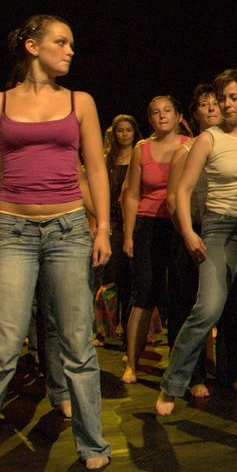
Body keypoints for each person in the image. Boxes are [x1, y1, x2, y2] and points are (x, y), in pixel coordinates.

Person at [0, 14, 112, 472]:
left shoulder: (80, 101)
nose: (70, 50)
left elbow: (95, 168)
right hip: (12, 230)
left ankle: (92, 441)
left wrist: (103, 226)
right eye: (61, 42)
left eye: (71, 43)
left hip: (68, 230)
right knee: (0, 347)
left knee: (78, 343)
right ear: (31, 46)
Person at [157, 69, 237, 415]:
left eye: (233, 97)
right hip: (219, 227)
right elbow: (183, 190)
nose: (226, 104)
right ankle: (172, 384)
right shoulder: (208, 140)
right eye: (222, 98)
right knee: (208, 308)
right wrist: (188, 231)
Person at [120, 95, 188, 383]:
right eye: (156, 112)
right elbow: (131, 194)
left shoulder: (190, 145)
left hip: (179, 224)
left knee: (181, 295)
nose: (162, 116)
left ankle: (180, 365)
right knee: (143, 294)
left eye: (167, 111)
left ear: (178, 116)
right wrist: (128, 235)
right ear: (149, 119)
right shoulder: (142, 150)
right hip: (148, 224)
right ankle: (132, 364)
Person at [165, 86, 222, 396]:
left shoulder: (229, 147)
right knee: (188, 304)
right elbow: (174, 199)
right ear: (194, 113)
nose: (211, 108)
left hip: (222, 230)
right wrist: (187, 233)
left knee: (225, 305)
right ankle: (191, 375)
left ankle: (226, 372)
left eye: (215, 103)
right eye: (204, 104)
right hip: (192, 231)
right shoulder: (185, 151)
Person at [102, 114, 142, 337]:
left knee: (132, 277)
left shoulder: (140, 156)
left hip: (135, 219)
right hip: (113, 220)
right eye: (120, 130)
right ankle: (106, 329)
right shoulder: (107, 160)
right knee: (111, 275)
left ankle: (130, 330)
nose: (125, 134)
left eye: (129, 130)